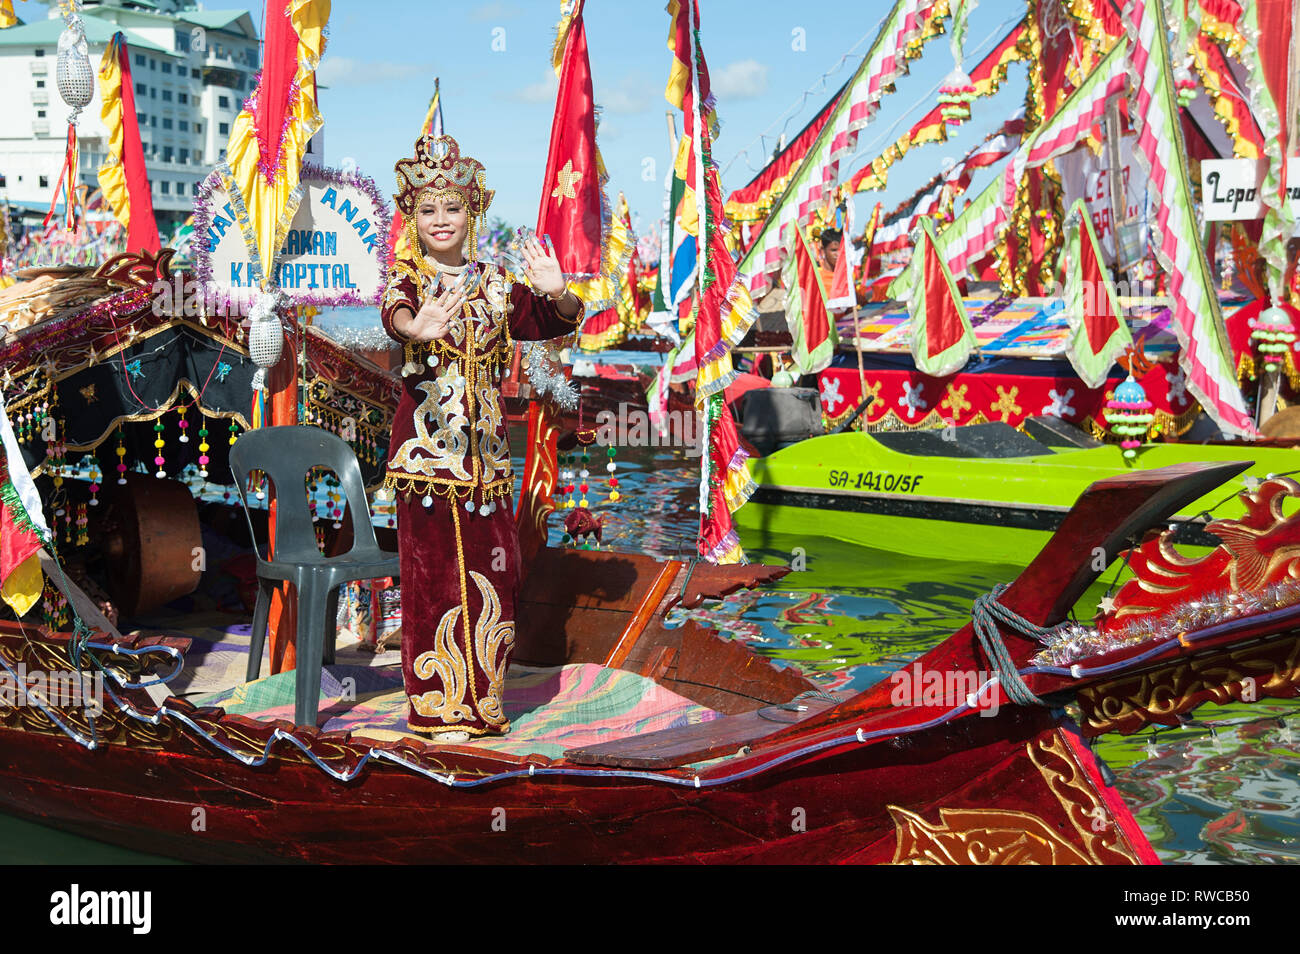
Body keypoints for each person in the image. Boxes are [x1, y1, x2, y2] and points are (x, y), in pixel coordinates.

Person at [379, 133, 582, 741]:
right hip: (425, 455)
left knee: (495, 575)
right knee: (430, 578)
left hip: (487, 460)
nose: (441, 220)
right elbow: (394, 316)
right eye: (428, 209)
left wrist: (557, 290)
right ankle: (435, 709)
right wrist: (418, 326)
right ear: (414, 218)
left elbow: (554, 320)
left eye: (453, 208)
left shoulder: (496, 284)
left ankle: (485, 703)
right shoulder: (407, 277)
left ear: (473, 213)